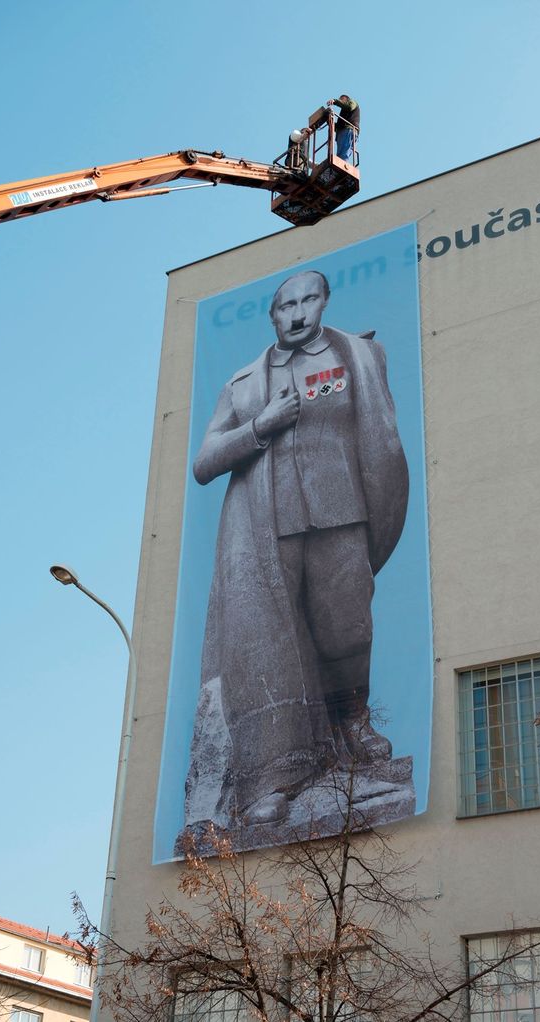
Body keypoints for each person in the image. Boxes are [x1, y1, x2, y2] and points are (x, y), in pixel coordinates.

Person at [185, 270, 408, 828]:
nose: (298, 312)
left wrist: (377, 530)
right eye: (287, 305)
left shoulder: (359, 356)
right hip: (265, 530)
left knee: (348, 629)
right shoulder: (242, 384)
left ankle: (353, 724)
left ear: (325, 302)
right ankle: (276, 773)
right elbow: (205, 462)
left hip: (341, 513)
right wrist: (261, 425)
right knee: (271, 651)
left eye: (309, 299)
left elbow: (379, 438)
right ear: (273, 315)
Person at [327, 95, 360, 163]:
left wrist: (335, 101)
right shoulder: (344, 112)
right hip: (343, 132)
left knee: (343, 155)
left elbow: (350, 107)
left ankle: (340, 171)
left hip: (348, 130)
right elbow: (338, 126)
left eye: (341, 99)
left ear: (346, 99)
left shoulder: (352, 102)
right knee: (340, 155)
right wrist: (329, 120)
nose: (340, 101)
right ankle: (339, 170)